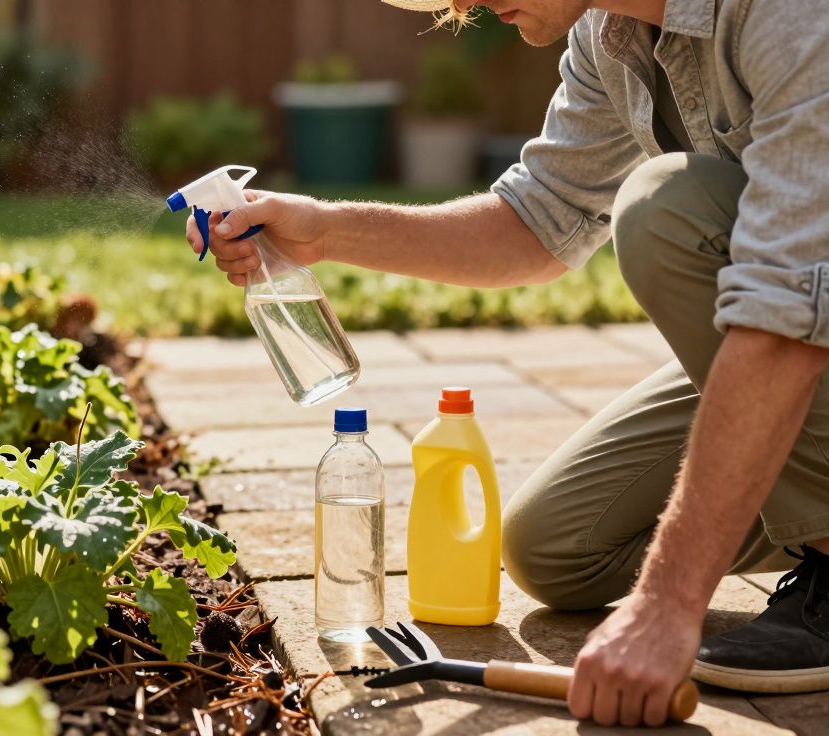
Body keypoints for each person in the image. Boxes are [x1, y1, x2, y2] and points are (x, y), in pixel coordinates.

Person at [187, 0, 829, 727]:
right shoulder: (609, 33)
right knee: (557, 547)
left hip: (799, 324)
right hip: (799, 327)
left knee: (664, 211)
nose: (470, 6)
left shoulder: (791, 14)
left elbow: (785, 314)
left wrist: (667, 604)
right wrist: (325, 230)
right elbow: (536, 223)